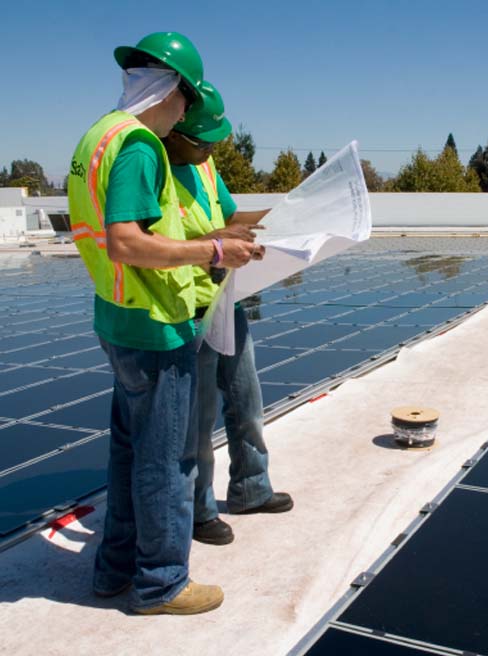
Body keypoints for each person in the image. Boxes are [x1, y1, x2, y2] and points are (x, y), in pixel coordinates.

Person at [67, 32, 262, 615]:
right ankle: (161, 583)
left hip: (118, 316)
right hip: (154, 323)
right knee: (166, 461)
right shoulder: (141, 144)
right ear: (172, 92)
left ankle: (113, 571)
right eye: (188, 102)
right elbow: (127, 241)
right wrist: (213, 254)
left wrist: (211, 239)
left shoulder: (98, 134)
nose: (187, 116)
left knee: (128, 455)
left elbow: (127, 238)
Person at [162, 82, 293, 547]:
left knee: (247, 400)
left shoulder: (205, 166)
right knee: (199, 420)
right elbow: (158, 245)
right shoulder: (156, 171)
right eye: (203, 143)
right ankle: (198, 511)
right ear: (175, 131)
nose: (208, 152)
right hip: (190, 310)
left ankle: (251, 488)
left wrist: (287, 213)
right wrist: (213, 242)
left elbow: (234, 218)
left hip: (227, 301)